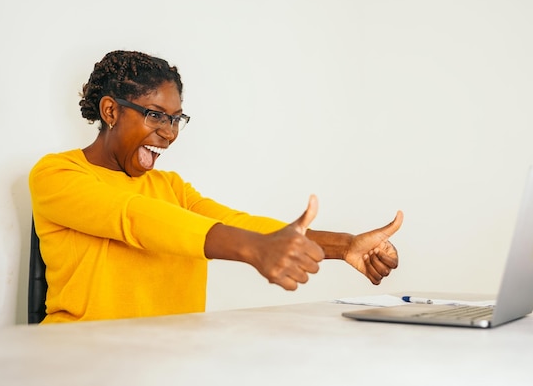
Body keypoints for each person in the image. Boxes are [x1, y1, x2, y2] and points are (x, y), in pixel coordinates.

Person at [29, 50, 404, 323]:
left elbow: (237, 222)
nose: (168, 133)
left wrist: (345, 245)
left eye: (176, 119)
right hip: (80, 360)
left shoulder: (171, 187)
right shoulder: (56, 175)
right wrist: (255, 249)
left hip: (169, 360)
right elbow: (137, 219)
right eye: (155, 115)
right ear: (111, 111)